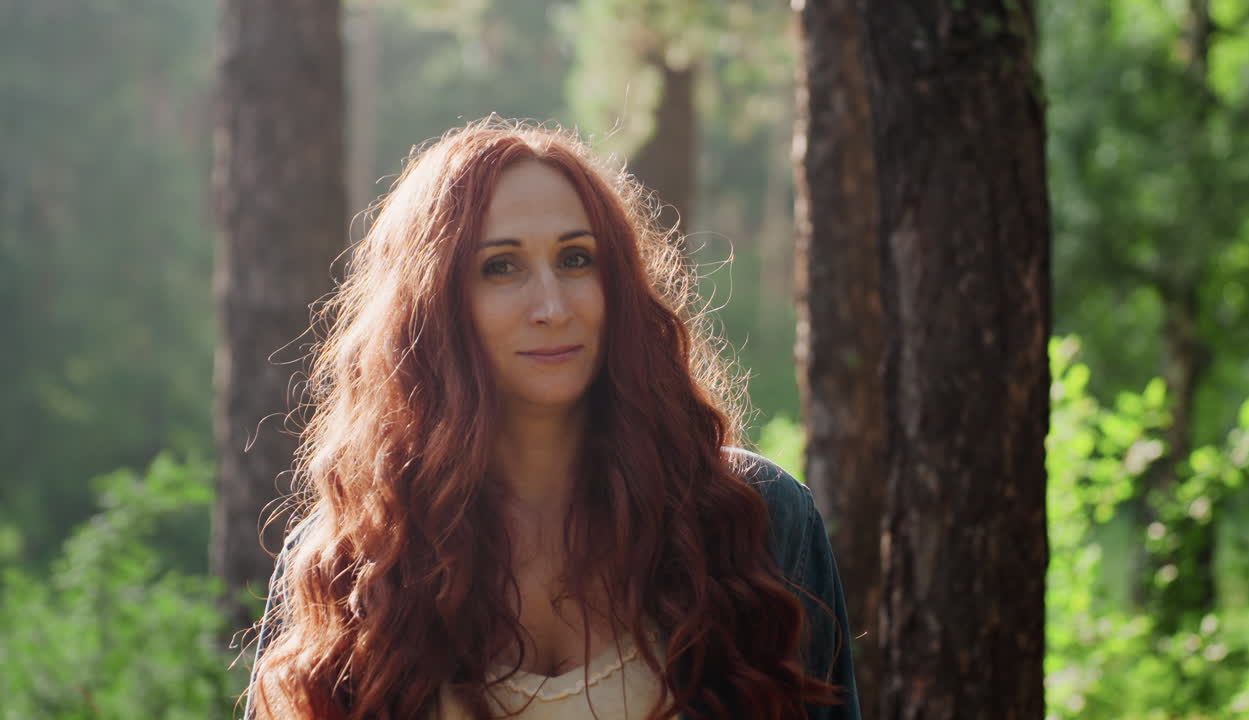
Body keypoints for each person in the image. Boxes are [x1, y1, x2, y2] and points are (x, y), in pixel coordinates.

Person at [242, 120, 861, 720]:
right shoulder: (351, 558)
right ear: (432, 308)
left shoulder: (757, 520)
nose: (551, 305)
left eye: (576, 259)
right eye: (501, 267)